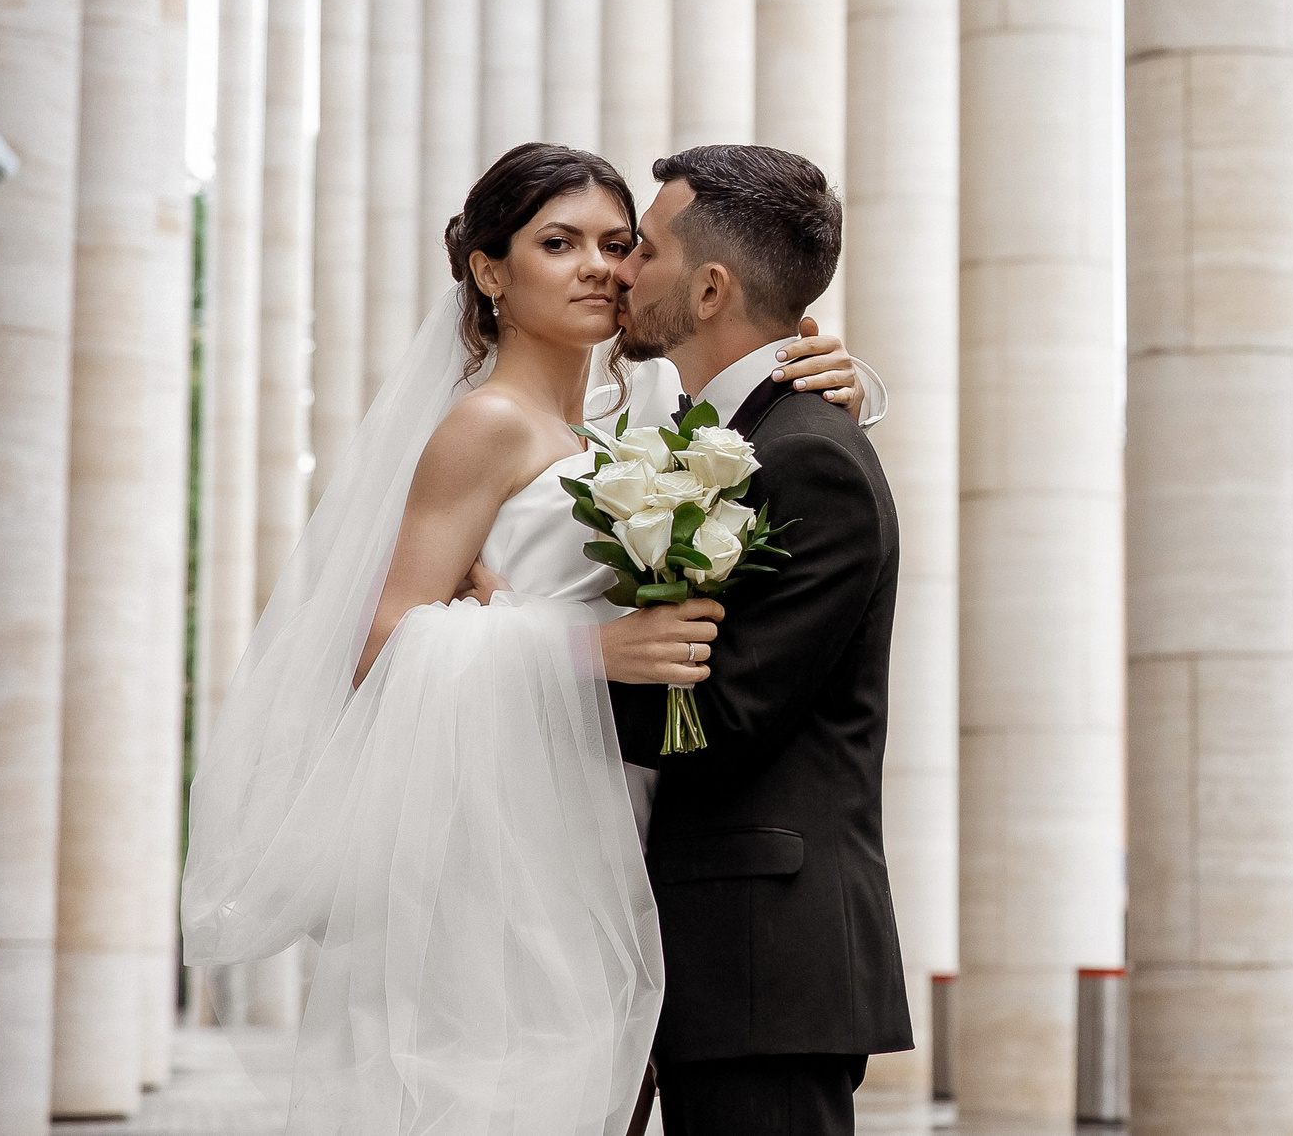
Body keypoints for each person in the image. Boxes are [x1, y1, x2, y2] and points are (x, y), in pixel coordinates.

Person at [180, 144, 878, 1135]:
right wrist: (579, 649)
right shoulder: (486, 426)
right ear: (490, 270)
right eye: (559, 243)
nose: (600, 266)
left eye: (617, 242)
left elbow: (761, 449)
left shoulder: (625, 436)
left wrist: (839, 379)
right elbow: (376, 647)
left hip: (605, 839)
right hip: (496, 845)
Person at [604, 145, 912, 1136]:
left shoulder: (808, 458)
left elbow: (724, 716)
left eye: (641, 249)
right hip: (721, 952)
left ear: (707, 288)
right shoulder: (734, 432)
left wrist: (543, 663)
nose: (620, 271)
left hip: (763, 955)